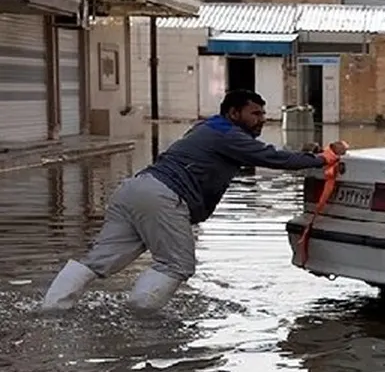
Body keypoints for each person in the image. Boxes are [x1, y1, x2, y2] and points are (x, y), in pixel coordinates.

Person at [39, 89, 347, 313]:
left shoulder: (208, 128)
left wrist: (304, 154)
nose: (261, 120)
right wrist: (323, 157)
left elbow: (260, 153)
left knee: (98, 260)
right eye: (255, 113)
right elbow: (271, 158)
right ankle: (140, 318)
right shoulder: (228, 135)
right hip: (163, 196)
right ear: (233, 113)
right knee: (177, 264)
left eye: (264, 114)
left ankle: (49, 311)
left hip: (134, 190)